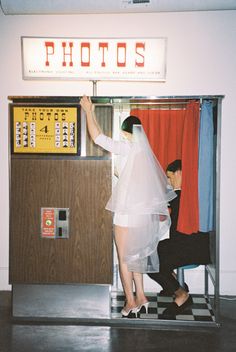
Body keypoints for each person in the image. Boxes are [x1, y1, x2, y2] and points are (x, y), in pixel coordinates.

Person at [80, 95, 176, 318]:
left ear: (126, 133)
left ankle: (130, 301)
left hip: (125, 214)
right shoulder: (145, 154)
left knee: (124, 258)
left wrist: (89, 111)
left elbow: (97, 137)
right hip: (142, 215)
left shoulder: (128, 148)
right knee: (137, 256)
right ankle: (142, 296)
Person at [148, 159, 211, 318]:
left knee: (153, 262)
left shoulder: (186, 194)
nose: (169, 182)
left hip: (192, 247)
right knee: (149, 254)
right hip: (182, 243)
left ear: (180, 173)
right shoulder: (180, 195)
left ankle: (182, 296)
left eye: (170, 177)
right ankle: (178, 287)